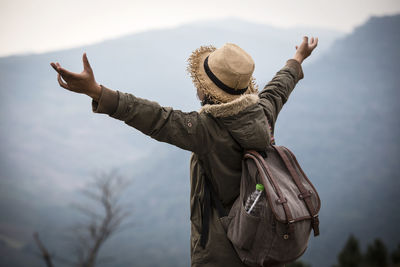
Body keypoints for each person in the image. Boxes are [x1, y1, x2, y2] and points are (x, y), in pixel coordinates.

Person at [50, 36, 318, 267]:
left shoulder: (205, 130)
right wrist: (298, 57)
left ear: (206, 92)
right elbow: (280, 86)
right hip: (260, 246)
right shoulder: (263, 111)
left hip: (220, 255)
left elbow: (155, 118)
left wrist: (95, 91)